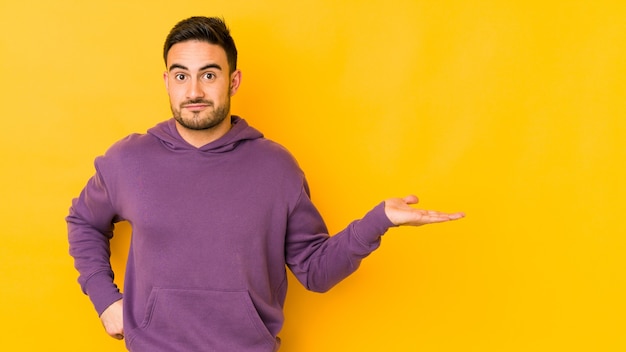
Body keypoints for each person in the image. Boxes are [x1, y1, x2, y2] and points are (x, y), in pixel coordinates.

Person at [67, 16, 464, 352]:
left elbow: (316, 271)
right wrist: (105, 301)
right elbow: (83, 221)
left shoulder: (276, 168)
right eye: (181, 75)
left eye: (209, 74)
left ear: (234, 81)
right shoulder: (129, 160)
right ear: (166, 80)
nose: (194, 91)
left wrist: (379, 220)